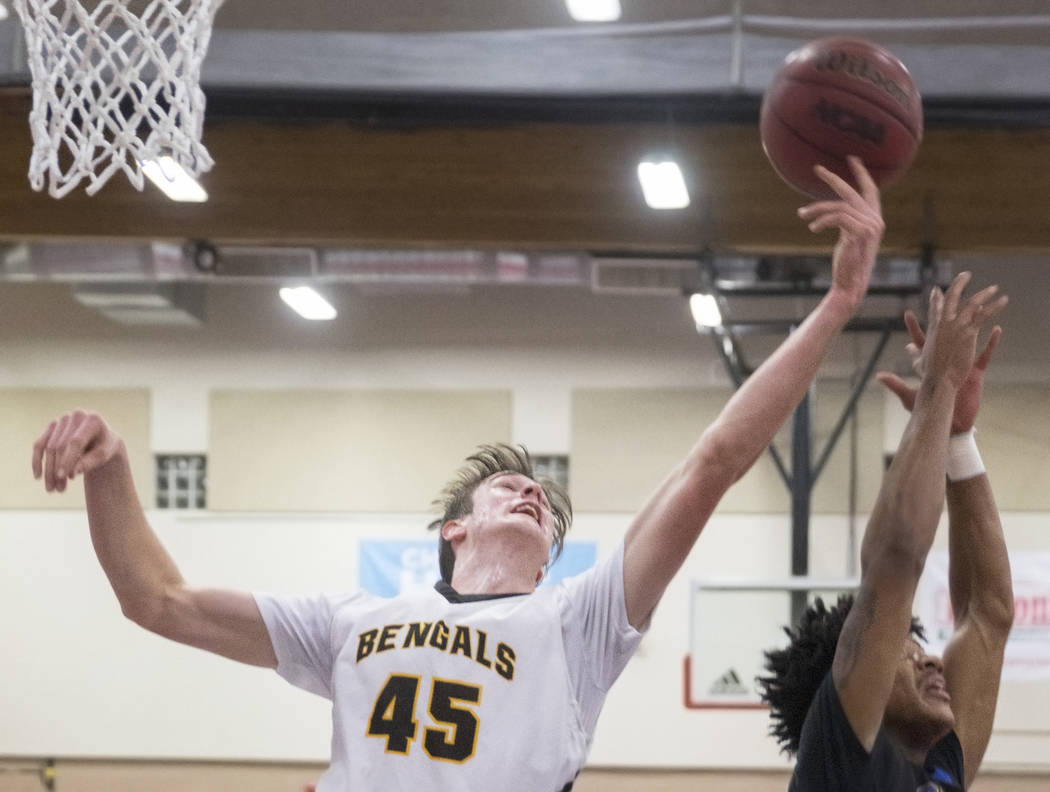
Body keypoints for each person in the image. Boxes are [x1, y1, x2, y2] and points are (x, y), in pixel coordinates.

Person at [34, 159, 885, 791]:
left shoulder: (573, 623)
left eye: (543, 503)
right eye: (507, 489)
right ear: (454, 529)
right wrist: (111, 468)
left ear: (551, 557)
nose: (531, 495)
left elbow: (712, 466)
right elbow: (159, 601)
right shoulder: (351, 620)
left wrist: (839, 303)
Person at [758, 272, 1012, 791]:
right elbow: (896, 560)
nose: (933, 659)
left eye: (920, 648)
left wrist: (959, 439)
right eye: (909, 652)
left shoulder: (939, 764)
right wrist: (938, 385)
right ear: (851, 677)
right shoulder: (839, 765)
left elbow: (988, 614)